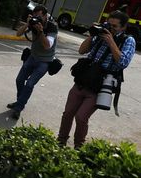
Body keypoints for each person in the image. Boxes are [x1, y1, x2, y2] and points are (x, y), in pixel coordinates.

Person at [57, 11, 136, 148]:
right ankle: (61, 141)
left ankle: (78, 147)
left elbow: (122, 62)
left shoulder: (128, 40)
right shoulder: (99, 34)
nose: (110, 28)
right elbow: (82, 51)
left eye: (114, 26)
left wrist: (111, 41)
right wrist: (92, 34)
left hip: (99, 87)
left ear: (123, 27)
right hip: (82, 81)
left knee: (81, 117)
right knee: (68, 113)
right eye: (108, 24)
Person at [7, 5, 58, 119]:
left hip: (44, 61)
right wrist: (27, 23)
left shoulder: (52, 27)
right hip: (32, 57)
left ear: (45, 16)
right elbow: (18, 34)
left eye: (39, 16)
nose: (37, 18)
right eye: (35, 16)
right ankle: (20, 102)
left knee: (30, 84)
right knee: (19, 80)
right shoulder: (33, 23)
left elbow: (47, 46)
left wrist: (40, 31)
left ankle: (18, 107)